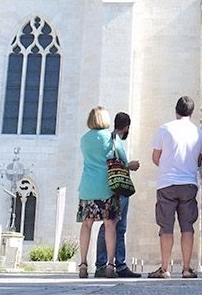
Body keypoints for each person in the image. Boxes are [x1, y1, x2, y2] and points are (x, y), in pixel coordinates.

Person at [148, 96, 202, 279]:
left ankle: (165, 268)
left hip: (167, 183)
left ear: (176, 110)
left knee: (166, 227)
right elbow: (200, 160)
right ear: (192, 112)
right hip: (189, 183)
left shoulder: (165, 129)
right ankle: (187, 269)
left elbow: (155, 157)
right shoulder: (198, 132)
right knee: (187, 227)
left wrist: (167, 165)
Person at [94, 112, 141, 278]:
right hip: (118, 188)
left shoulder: (108, 138)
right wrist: (131, 165)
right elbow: (118, 164)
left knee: (108, 225)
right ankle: (115, 264)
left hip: (107, 186)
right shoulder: (116, 140)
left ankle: (104, 264)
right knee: (116, 226)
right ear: (127, 126)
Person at [77, 106, 120, 279]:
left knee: (86, 224)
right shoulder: (110, 137)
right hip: (106, 187)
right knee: (109, 224)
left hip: (87, 186)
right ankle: (110, 264)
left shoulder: (84, 139)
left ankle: (83, 264)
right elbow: (119, 157)